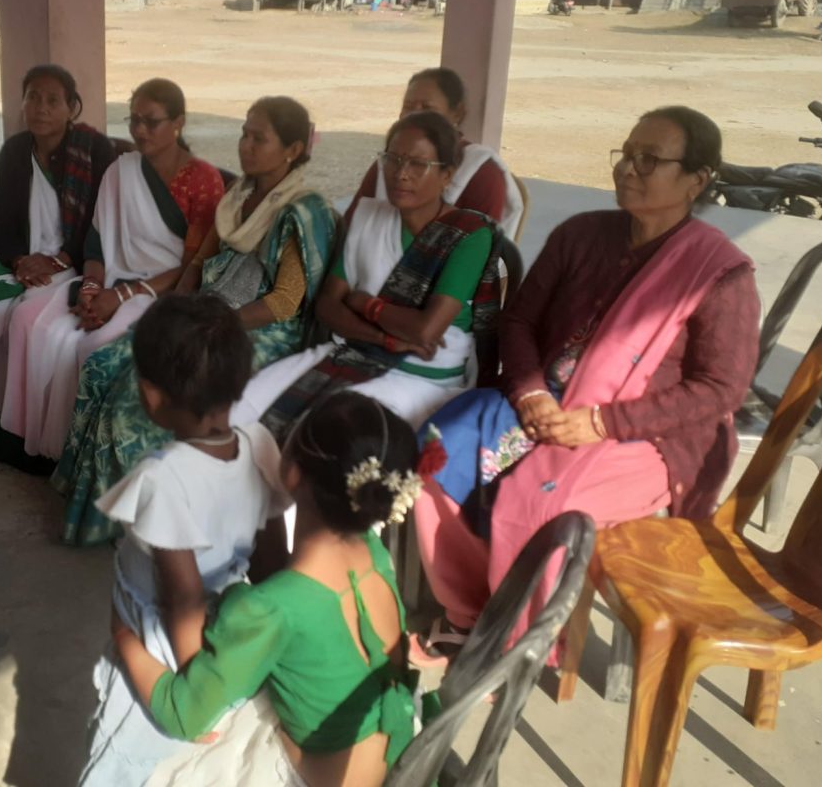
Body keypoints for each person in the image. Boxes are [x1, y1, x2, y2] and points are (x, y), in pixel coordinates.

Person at [413, 106, 759, 662]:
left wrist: (601, 422)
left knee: (543, 502)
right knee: (437, 451)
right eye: (627, 153)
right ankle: (470, 612)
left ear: (697, 180)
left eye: (650, 160)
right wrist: (531, 393)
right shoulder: (580, 234)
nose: (628, 168)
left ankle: (514, 649)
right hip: (543, 402)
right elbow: (519, 320)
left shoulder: (719, 273)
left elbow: (722, 389)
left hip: (647, 437)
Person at [112, 392, 439, 787]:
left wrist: (123, 634)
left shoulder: (272, 609)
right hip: (403, 751)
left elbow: (184, 716)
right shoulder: (374, 554)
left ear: (294, 472)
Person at [54, 96, 338, 546]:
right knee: (100, 367)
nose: (245, 145)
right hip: (208, 313)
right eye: (244, 134)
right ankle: (93, 503)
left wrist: (215, 325)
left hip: (259, 329)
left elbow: (284, 302)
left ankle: (140, 523)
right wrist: (175, 311)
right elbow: (200, 263)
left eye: (258, 138)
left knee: (136, 398)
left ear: (292, 149)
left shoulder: (303, 210)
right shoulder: (239, 196)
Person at [79, 295, 289, 787]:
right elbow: (274, 560)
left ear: (150, 396)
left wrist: (200, 694)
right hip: (224, 632)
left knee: (131, 757)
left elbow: (184, 598)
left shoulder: (163, 480)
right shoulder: (258, 442)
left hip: (167, 648)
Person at [0, 79, 224, 466]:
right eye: (133, 120)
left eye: (151, 121)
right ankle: (23, 443)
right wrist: (90, 288)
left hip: (159, 292)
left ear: (178, 123)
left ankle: (76, 455)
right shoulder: (122, 170)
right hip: (109, 279)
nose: (139, 130)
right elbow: (97, 246)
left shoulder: (203, 180)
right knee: (26, 318)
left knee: (91, 344)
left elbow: (192, 266)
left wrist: (118, 297)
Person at [232, 111, 500, 438]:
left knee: (321, 429)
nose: (401, 173)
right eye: (393, 159)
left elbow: (425, 331)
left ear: (447, 175)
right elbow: (328, 307)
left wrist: (364, 304)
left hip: (422, 377)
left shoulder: (469, 236)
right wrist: (383, 338)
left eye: (418, 164)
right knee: (244, 405)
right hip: (355, 351)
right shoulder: (370, 217)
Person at [0, 65, 116, 467]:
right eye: (32, 97)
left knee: (25, 313)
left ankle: (23, 427)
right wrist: (20, 260)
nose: (41, 108)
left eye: (53, 100)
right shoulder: (16, 152)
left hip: (78, 261)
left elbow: (100, 222)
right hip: (28, 257)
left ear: (72, 107)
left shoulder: (93, 151)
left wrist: (58, 260)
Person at [347, 67, 523, 238]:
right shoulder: (389, 163)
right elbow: (351, 229)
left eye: (427, 108)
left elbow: (482, 246)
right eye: (408, 107)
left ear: (457, 113)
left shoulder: (483, 174)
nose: (414, 116)